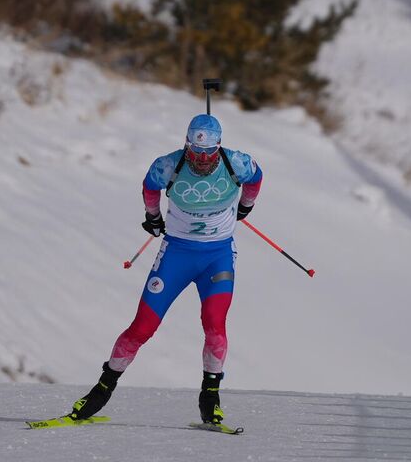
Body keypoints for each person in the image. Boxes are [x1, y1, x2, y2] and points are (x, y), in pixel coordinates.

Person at [62, 114, 263, 426]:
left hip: (218, 256)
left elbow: (256, 178)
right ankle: (102, 389)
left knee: (215, 325)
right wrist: (153, 217)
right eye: (194, 153)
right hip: (177, 255)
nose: (201, 160)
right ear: (185, 146)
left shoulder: (236, 162)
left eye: (208, 154)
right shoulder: (168, 165)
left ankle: (210, 396)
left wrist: (247, 206)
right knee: (142, 327)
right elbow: (149, 186)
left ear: (218, 147)